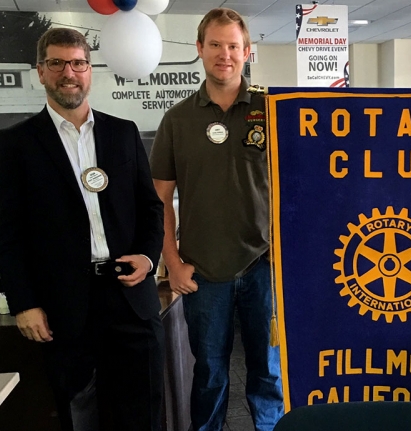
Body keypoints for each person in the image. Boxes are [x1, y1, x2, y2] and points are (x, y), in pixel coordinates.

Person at [0, 28, 165, 431]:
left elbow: (150, 208)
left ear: (90, 70)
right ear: (40, 71)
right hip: (64, 305)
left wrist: (146, 255)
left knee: (144, 410)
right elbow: (9, 232)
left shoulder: (122, 132)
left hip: (129, 296)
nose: (68, 73)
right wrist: (24, 303)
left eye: (77, 63)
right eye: (56, 63)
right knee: (80, 413)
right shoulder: (15, 144)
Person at [149, 8, 283, 431]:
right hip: (202, 272)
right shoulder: (177, 119)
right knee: (209, 375)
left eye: (232, 46)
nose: (224, 54)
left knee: (269, 375)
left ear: (247, 52)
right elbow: (160, 200)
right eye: (214, 45)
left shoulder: (274, 111)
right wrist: (171, 262)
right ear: (199, 50)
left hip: (265, 267)